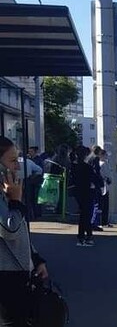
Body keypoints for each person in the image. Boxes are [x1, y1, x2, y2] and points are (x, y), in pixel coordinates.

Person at [1, 137, 49, 326]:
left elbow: (21, 232)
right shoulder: (9, 195)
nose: (17, 167)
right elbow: (9, 229)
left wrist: (36, 259)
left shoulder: (6, 192)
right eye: (12, 161)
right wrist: (16, 201)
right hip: (5, 281)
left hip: (19, 276)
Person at [72, 146, 98, 247]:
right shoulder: (87, 167)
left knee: (83, 214)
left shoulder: (74, 167)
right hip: (87, 192)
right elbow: (95, 179)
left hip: (78, 193)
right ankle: (88, 236)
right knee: (87, 215)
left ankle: (81, 236)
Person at [98, 150, 113, 227]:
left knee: (104, 205)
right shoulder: (103, 164)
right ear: (102, 155)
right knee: (104, 205)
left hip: (104, 186)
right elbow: (106, 174)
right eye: (105, 155)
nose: (106, 156)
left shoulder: (102, 163)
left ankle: (104, 221)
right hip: (104, 186)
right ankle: (104, 221)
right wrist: (108, 179)